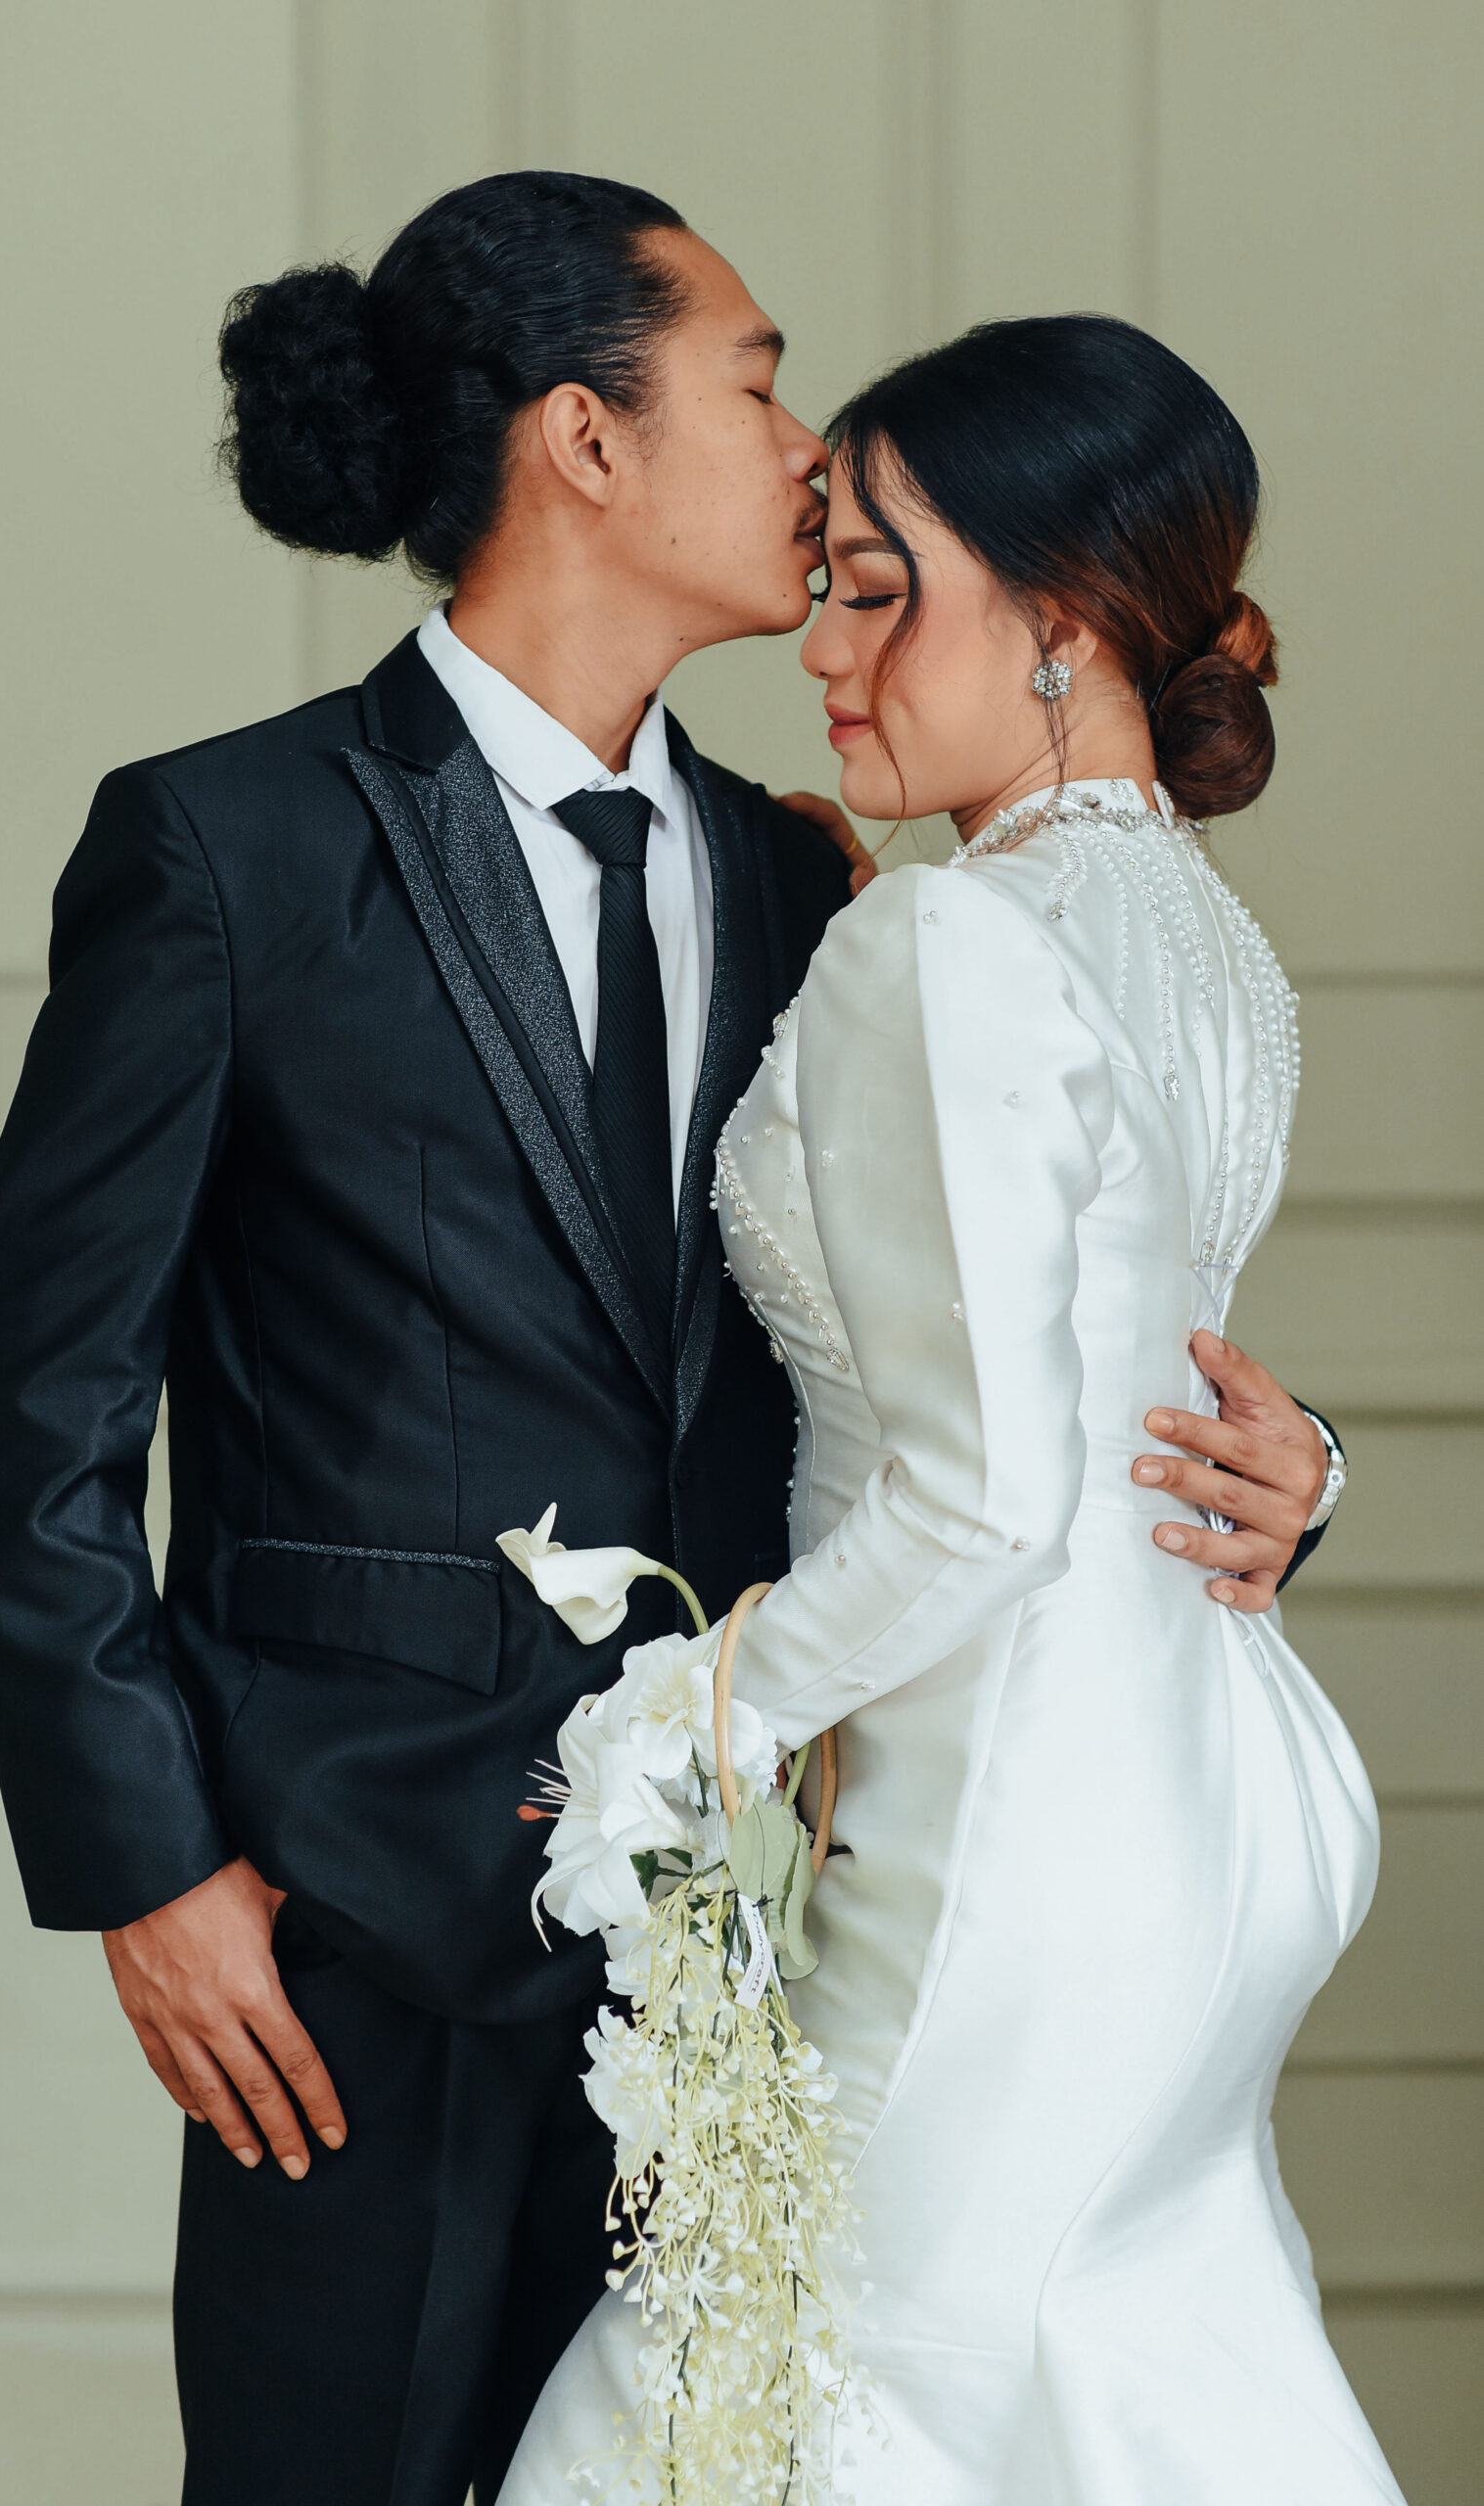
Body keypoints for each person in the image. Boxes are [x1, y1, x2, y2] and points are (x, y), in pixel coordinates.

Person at [0, 176, 1341, 2506]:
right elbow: (33, 1405)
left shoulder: (819, 881)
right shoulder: (228, 848)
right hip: (349, 1914)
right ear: (586, 438)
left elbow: (987, 1325)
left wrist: (1293, 1469)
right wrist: (145, 1868)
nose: (806, 449)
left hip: (764, 1923)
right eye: (760, 382)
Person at [500, 315, 1395, 2506]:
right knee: (1089, 2383)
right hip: (1218, 1782)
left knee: (789, 2390)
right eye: (827, 583)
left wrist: (685, 1720)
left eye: (880, 590)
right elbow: (1135, 1368)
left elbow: (988, 1498)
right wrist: (1319, 1475)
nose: (822, 648)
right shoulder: (1202, 941)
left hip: (1007, 1825)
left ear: (1064, 620)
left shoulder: (944, 943)